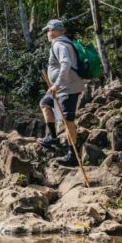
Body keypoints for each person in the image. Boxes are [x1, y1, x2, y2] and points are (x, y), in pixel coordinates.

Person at [36, 19, 84, 166]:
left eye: (49, 30)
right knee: (45, 103)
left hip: (67, 88)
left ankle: (72, 155)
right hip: (61, 88)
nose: (47, 34)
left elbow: (66, 63)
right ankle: (52, 137)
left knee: (68, 121)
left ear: (55, 31)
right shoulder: (61, 43)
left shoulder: (60, 44)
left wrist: (56, 84)